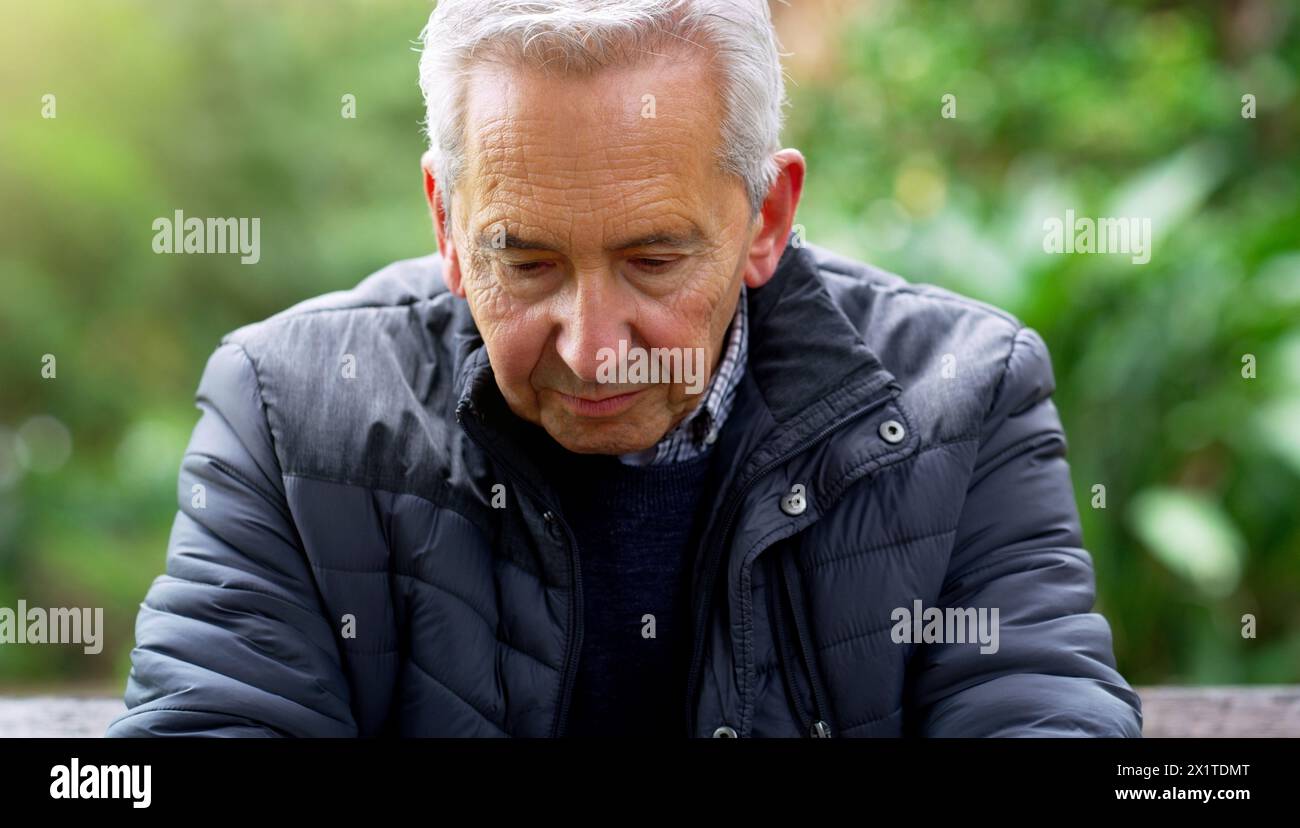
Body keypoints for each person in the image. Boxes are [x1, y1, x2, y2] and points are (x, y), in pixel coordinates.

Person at [107, 0, 1142, 738]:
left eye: (653, 260)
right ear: (447, 225)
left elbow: (1039, 712)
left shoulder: (965, 397)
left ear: (765, 218)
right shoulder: (288, 410)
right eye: (526, 260)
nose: (592, 346)